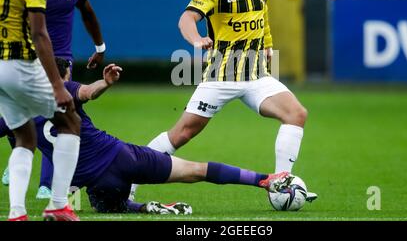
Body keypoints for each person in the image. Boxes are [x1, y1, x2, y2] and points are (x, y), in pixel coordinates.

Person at [130, 0, 316, 201]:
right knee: (182, 134)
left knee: (296, 113)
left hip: (255, 76)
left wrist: (266, 45)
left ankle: (281, 183)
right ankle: (132, 178)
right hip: (221, 76)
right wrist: (196, 39)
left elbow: (262, 17)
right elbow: (186, 19)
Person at [0, 57, 294, 215]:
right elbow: (88, 92)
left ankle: (142, 207)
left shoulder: (16, 108)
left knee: (107, 208)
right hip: (121, 157)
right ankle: (264, 180)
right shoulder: (67, 90)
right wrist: (106, 81)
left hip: (94, 183)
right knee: (194, 170)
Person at [1, 0, 107, 200]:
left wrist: (100, 47)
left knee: (58, 116)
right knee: (38, 116)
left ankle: (46, 184)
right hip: (25, 56)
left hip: (59, 59)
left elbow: (88, 13)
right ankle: (23, 157)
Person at [0, 0, 80, 221]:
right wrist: (58, 85)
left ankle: (17, 213)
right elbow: (39, 34)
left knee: (24, 136)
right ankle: (59, 204)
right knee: (70, 122)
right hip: (21, 64)